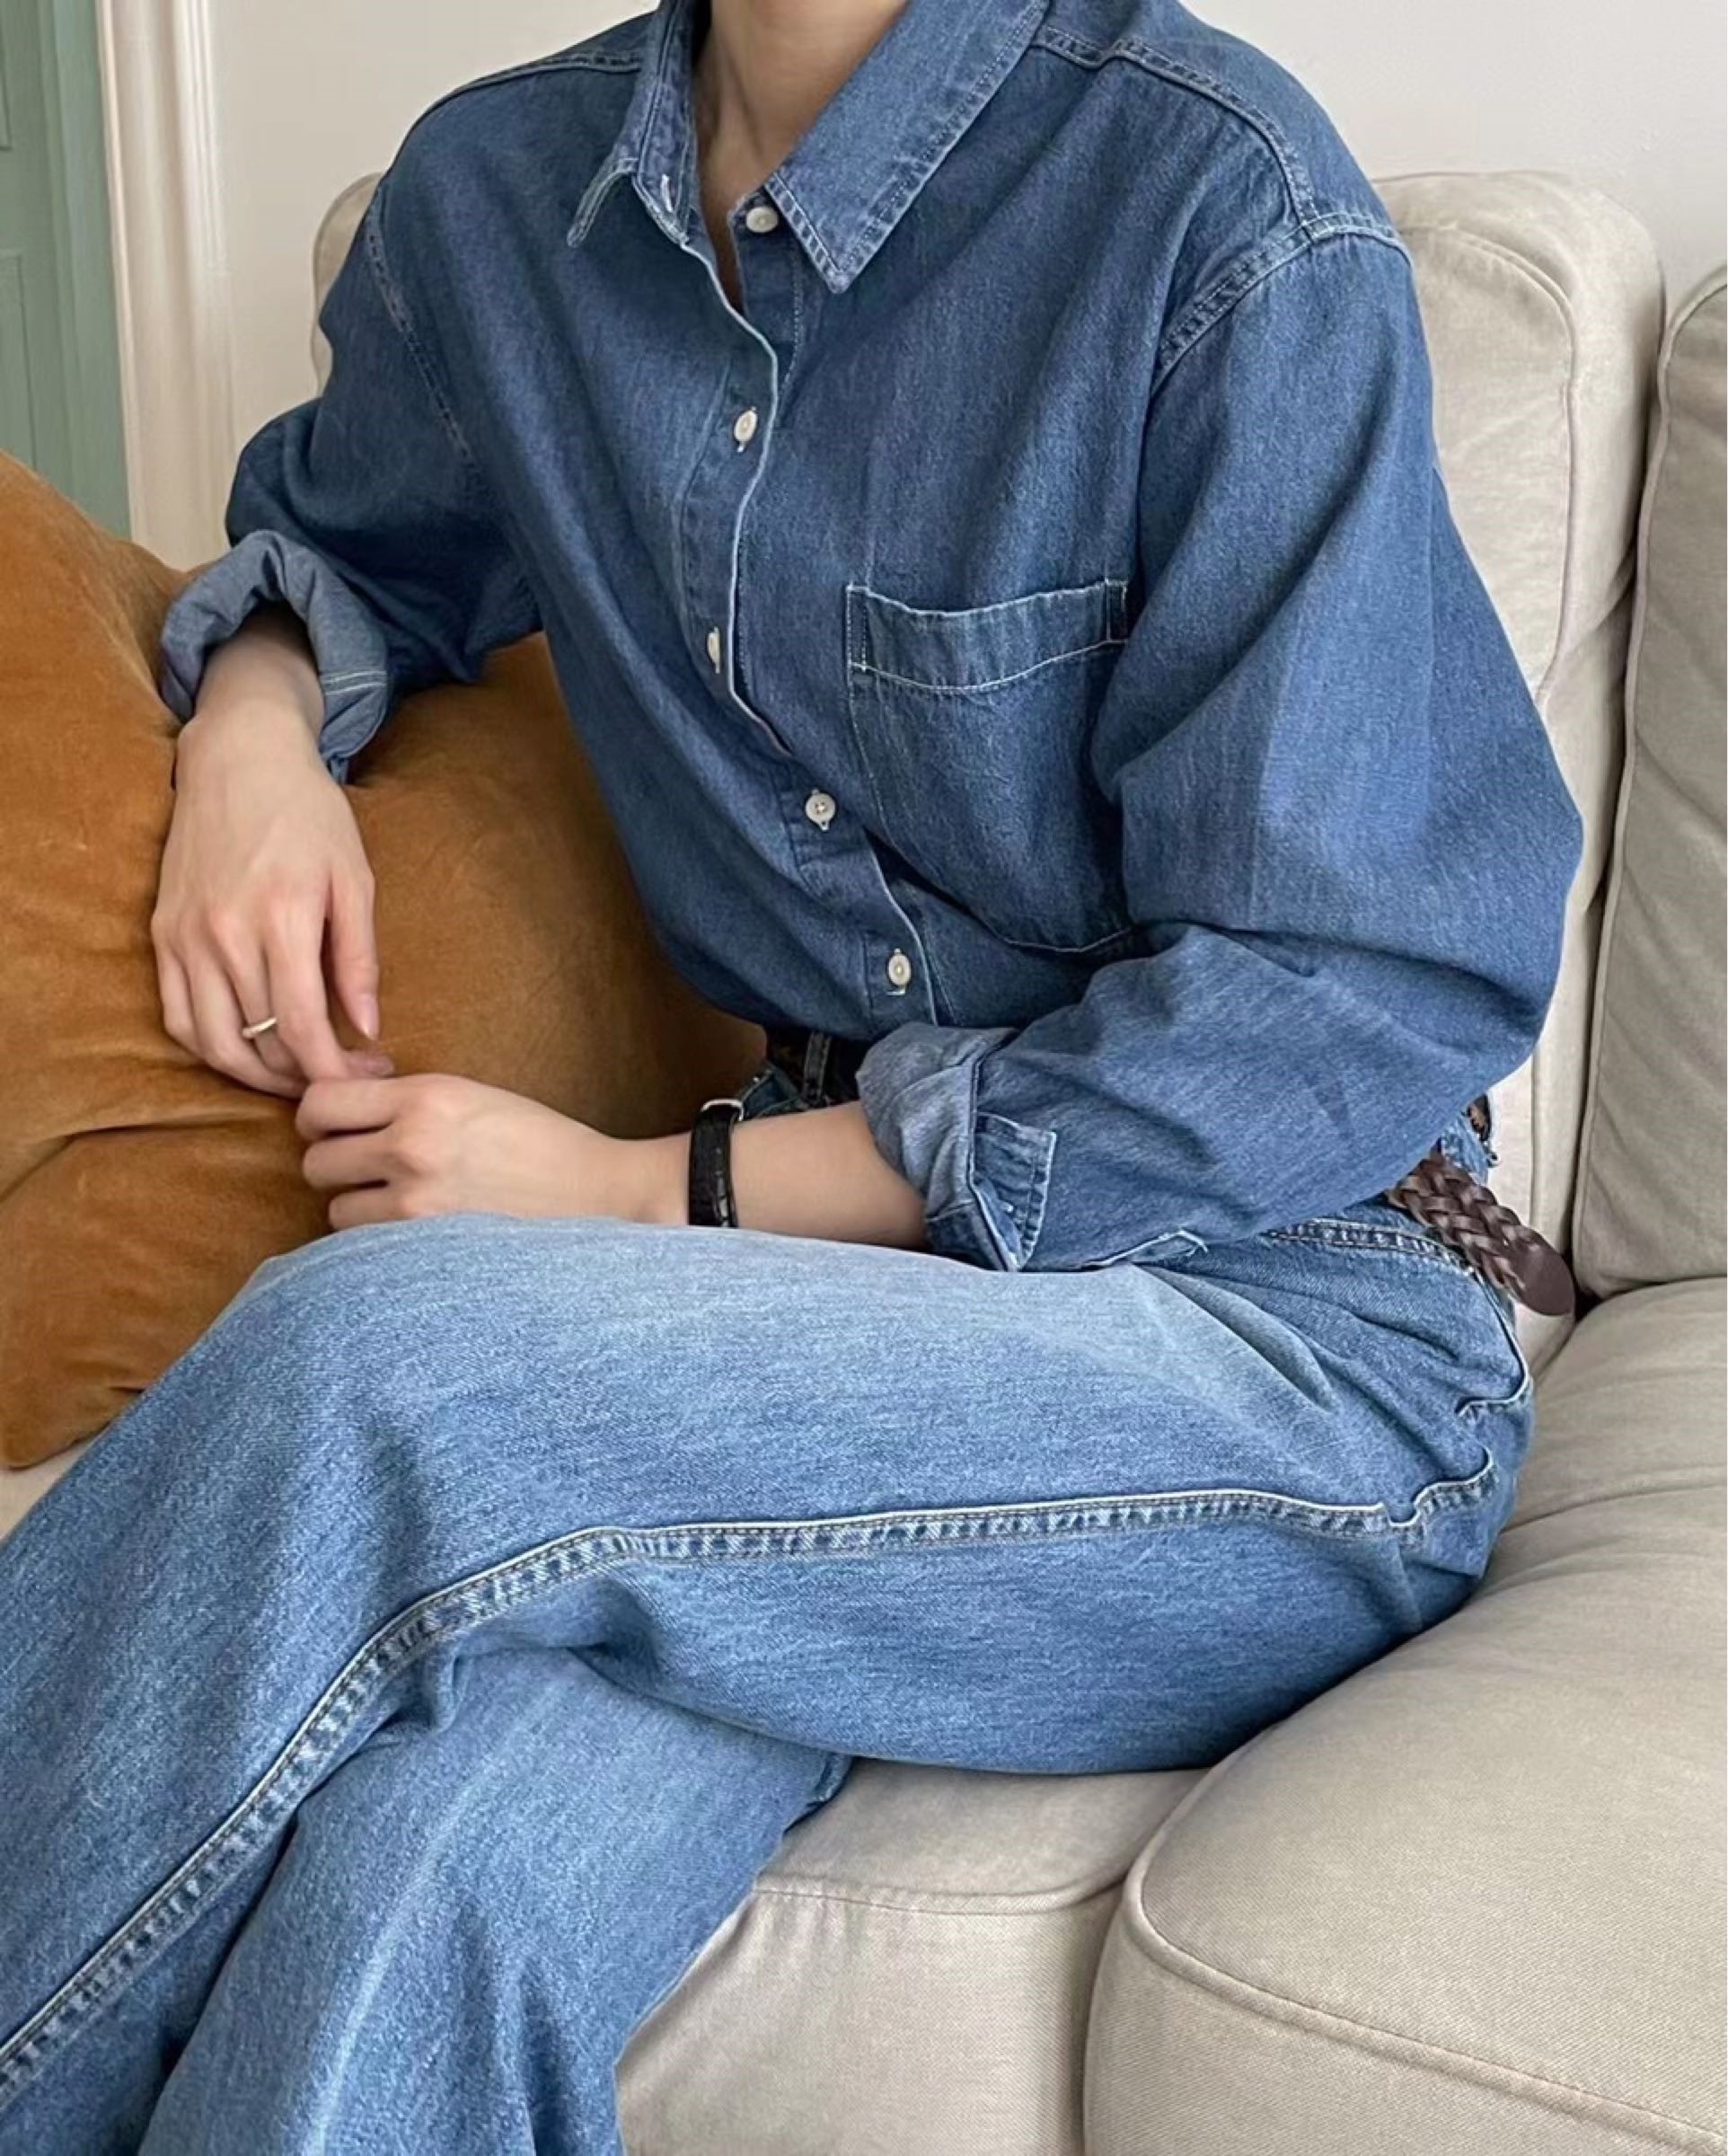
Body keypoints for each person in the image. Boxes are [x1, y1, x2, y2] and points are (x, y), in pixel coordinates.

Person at [0, 0, 1583, 2149]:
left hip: (1283, 1334)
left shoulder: (1214, 209)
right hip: (802, 1327)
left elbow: (1353, 986)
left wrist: (654, 1196)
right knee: (419, 1887)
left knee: (365, 1364)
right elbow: (356, 541)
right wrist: (254, 733)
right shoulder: (499, 201)